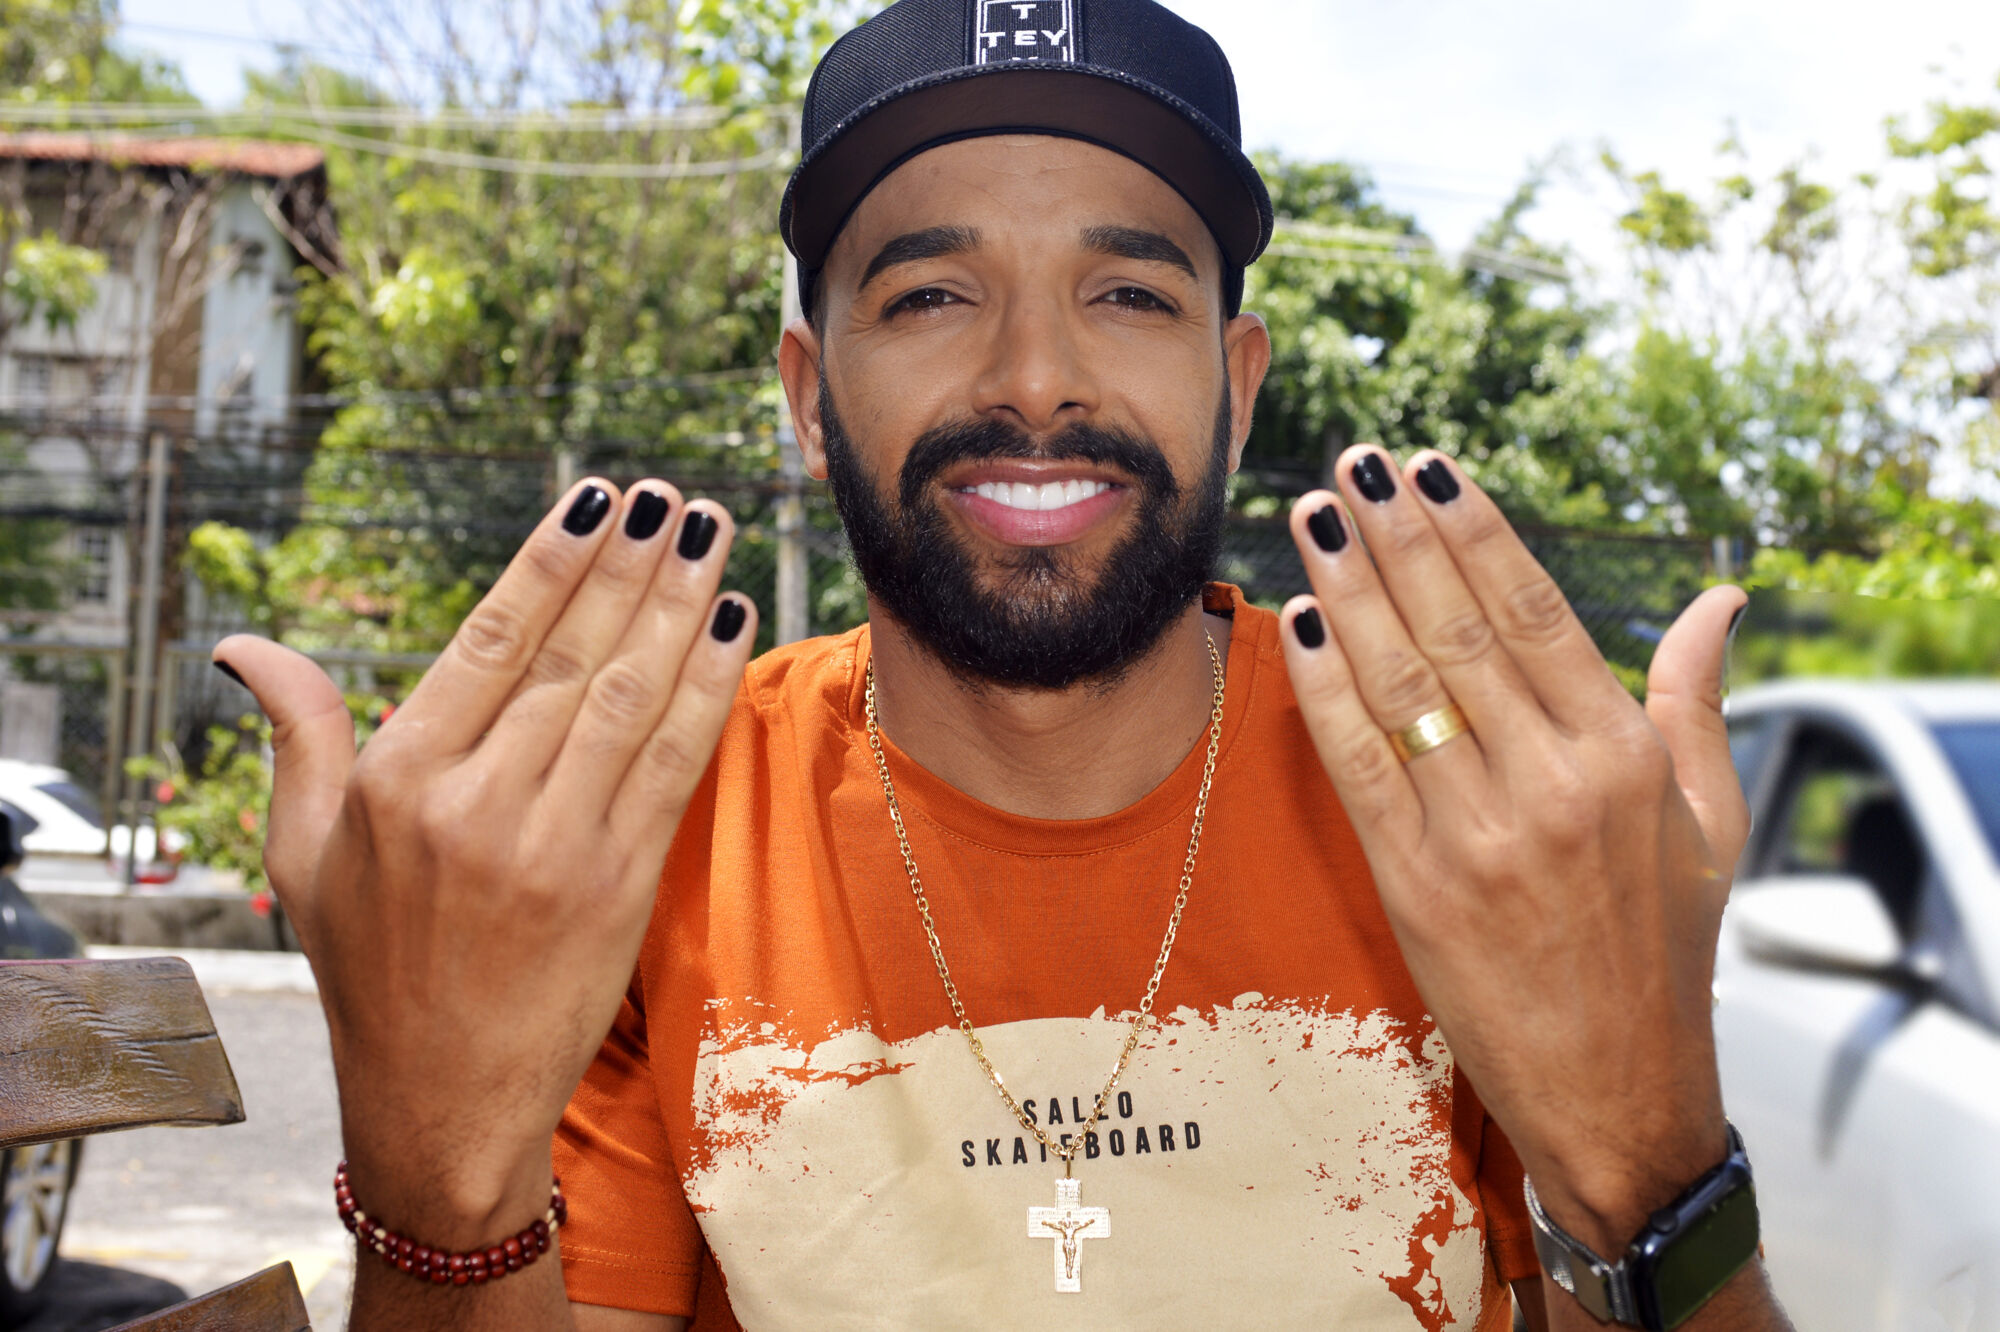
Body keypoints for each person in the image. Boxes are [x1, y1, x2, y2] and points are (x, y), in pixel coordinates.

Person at [215, 0, 1797, 1328]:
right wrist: (438, 1168)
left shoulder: (1480, 814)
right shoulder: (650, 832)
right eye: (928, 295)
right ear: (810, 393)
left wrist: (1647, 1154)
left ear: (1236, 386)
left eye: (1127, 292)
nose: (1036, 378)